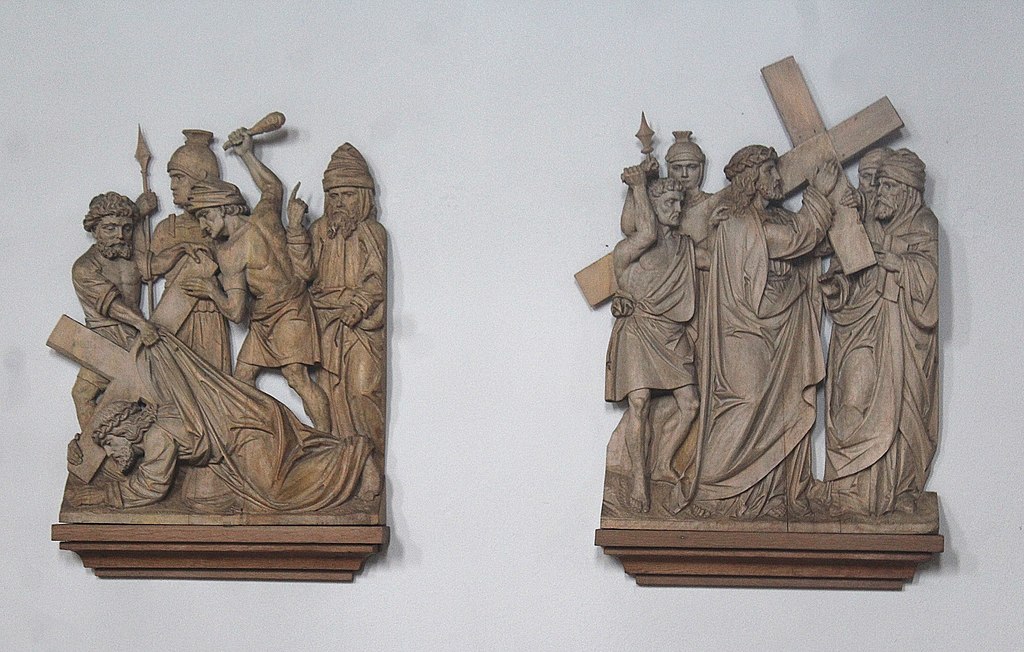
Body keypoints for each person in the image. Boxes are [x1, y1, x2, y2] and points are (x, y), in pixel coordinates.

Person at [689, 145, 838, 519]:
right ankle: (711, 487)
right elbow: (797, 238)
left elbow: (810, 242)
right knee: (747, 402)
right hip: (745, 331)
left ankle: (770, 494)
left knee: (783, 409)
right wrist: (820, 195)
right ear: (752, 179)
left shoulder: (777, 219)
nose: (778, 178)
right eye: (770, 171)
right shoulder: (739, 224)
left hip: (782, 329)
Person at [180, 129, 332, 433]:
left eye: (205, 216)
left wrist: (212, 289)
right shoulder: (264, 216)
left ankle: (328, 440)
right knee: (243, 379)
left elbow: (236, 312)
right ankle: (268, 434)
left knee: (297, 377)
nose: (203, 226)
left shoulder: (231, 253)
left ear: (224, 207)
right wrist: (247, 154)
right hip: (271, 316)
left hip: (288, 313)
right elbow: (272, 187)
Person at [820, 148, 938, 515]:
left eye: (886, 186)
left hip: (900, 338)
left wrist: (899, 263)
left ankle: (890, 492)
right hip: (857, 330)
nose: (877, 192)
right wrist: (836, 288)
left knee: (900, 415)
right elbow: (844, 271)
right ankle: (848, 488)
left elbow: (928, 281)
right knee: (850, 399)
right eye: (874, 183)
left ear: (907, 191)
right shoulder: (862, 225)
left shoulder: (923, 224)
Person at [605, 161, 701, 513]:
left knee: (691, 404)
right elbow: (646, 233)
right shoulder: (628, 251)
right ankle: (638, 479)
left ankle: (662, 462)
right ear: (651, 207)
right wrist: (638, 185)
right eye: (669, 203)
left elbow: (714, 261)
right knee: (640, 404)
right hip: (639, 331)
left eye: (680, 203)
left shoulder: (684, 247)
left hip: (671, 333)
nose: (677, 209)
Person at [288, 144, 386, 450]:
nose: (340, 202)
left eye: (348, 195)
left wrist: (358, 306)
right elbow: (305, 272)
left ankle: (368, 456)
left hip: (360, 325)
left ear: (364, 197)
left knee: (362, 391)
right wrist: (295, 229)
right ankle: (340, 458)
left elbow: (376, 278)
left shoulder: (372, 233)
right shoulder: (320, 231)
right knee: (331, 394)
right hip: (325, 322)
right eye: (333, 196)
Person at [70, 191, 193, 430]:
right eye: (110, 228)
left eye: (126, 228)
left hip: (134, 337)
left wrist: (183, 249)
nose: (120, 235)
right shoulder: (84, 268)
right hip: (103, 340)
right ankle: (95, 445)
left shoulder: (129, 257)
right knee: (82, 394)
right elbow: (112, 305)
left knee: (153, 394)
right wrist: (142, 325)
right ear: (95, 230)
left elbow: (153, 267)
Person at [149, 130, 231, 372]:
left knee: (212, 386)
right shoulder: (167, 228)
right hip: (171, 317)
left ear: (201, 179)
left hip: (209, 316)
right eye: (171, 178)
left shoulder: (223, 227)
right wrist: (180, 251)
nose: (172, 186)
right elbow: (147, 271)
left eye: (179, 178)